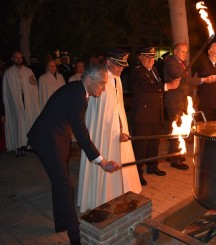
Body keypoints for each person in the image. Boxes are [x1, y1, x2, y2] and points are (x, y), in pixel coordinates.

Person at [27, 64, 120, 245]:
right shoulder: (77, 95)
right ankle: (75, 236)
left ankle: (60, 223)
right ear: (90, 79)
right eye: (102, 83)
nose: (103, 88)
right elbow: (81, 133)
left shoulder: (78, 91)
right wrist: (102, 162)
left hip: (56, 137)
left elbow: (75, 126)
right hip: (47, 139)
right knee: (64, 185)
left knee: (59, 181)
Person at [77, 49, 141, 212]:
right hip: (102, 132)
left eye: (123, 66)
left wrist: (120, 128)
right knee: (105, 155)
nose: (121, 69)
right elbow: (104, 115)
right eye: (118, 66)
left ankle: (118, 191)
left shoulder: (116, 79)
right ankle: (99, 196)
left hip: (116, 130)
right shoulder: (101, 78)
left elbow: (117, 109)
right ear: (109, 62)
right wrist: (114, 131)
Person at [130, 46, 180, 186]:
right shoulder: (137, 72)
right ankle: (137, 173)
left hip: (156, 114)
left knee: (154, 143)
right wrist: (166, 86)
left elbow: (156, 85)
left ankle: (152, 167)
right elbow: (146, 87)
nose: (151, 60)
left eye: (152, 57)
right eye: (147, 57)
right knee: (140, 146)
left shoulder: (154, 70)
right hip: (143, 116)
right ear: (140, 57)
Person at [164, 43, 216, 169]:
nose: (185, 54)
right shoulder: (171, 63)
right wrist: (203, 80)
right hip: (174, 100)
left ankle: (173, 154)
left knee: (177, 127)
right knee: (176, 128)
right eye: (182, 51)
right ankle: (175, 159)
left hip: (181, 100)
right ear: (175, 52)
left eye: (186, 52)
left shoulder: (180, 63)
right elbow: (183, 79)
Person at [2, 51, 40, 154]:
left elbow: (33, 87)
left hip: (28, 101)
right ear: (12, 59)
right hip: (15, 102)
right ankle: (19, 146)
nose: (19, 59)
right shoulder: (8, 73)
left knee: (29, 120)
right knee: (18, 122)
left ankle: (30, 144)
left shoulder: (28, 71)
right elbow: (6, 92)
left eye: (20, 58)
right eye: (16, 58)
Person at [197, 42, 216, 121]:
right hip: (207, 103)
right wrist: (208, 78)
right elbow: (201, 77)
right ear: (209, 52)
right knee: (207, 128)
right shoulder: (203, 63)